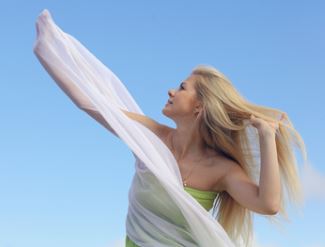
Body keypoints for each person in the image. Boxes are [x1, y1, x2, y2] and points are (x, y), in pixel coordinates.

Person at [33, 9, 307, 247]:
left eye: (182, 87)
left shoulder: (221, 170)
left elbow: (268, 204)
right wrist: (52, 49)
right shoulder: (151, 137)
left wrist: (266, 135)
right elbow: (92, 104)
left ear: (199, 107)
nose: (171, 90)